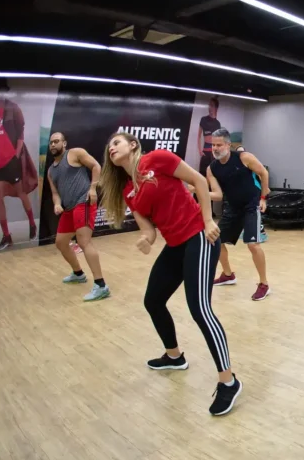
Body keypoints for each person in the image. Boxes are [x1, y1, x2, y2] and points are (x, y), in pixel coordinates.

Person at [99, 132, 241, 415]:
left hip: (200, 236)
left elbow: (199, 181)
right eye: (109, 146)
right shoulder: (129, 191)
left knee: (200, 310)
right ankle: (174, 356)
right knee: (153, 300)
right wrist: (146, 239)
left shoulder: (158, 159)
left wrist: (208, 219)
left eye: (116, 142)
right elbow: (149, 230)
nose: (111, 148)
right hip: (175, 244)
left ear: (133, 145)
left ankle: (229, 382)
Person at [207, 129, 271, 301]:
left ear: (228, 145)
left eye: (219, 145)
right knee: (216, 240)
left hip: (251, 205)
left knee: (253, 245)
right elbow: (218, 195)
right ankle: (228, 275)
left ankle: (264, 284)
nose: (215, 148)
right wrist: (196, 191)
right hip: (233, 207)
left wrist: (263, 198)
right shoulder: (211, 169)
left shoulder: (244, 158)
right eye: (213, 145)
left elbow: (263, 173)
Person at [46, 132, 109, 302]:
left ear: (64, 143)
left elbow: (96, 166)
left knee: (84, 241)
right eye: (51, 142)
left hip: (84, 201)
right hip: (69, 208)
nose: (53, 144)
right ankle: (78, 274)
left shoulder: (75, 153)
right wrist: (57, 204)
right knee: (60, 242)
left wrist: (93, 188)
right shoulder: (51, 170)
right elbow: (55, 193)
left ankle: (101, 285)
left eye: (56, 141)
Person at [0, 77, 38, 251]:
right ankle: (7, 236)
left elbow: (20, 135)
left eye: (2, 91)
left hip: (12, 161)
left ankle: (32, 224)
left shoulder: (14, 109)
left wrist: (15, 155)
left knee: (22, 193)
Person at [196, 96, 222, 174]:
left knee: (213, 174)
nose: (210, 107)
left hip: (214, 153)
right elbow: (199, 136)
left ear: (216, 108)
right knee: (202, 174)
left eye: (212, 105)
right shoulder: (203, 119)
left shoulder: (218, 123)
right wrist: (200, 151)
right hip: (205, 152)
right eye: (209, 105)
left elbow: (219, 140)